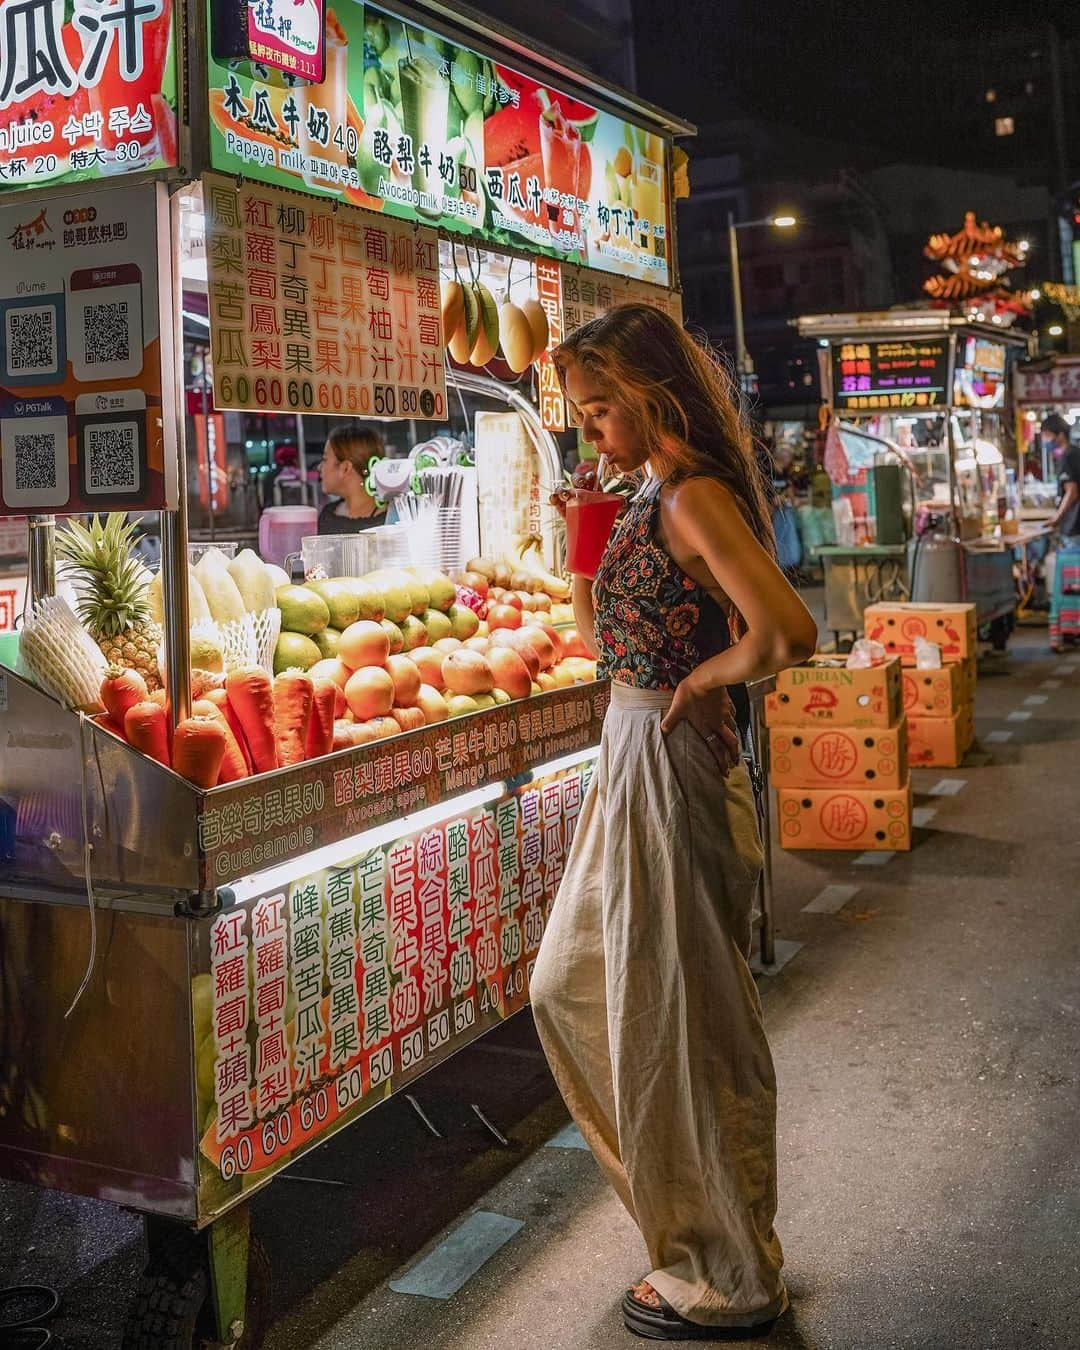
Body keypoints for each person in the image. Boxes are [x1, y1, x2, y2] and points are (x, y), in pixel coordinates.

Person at [531, 304, 817, 1341]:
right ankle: (703, 1233)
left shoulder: (692, 494)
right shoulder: (648, 489)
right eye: (583, 411)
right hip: (632, 749)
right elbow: (605, 630)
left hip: (668, 755)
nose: (591, 428)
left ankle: (731, 1272)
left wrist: (705, 679)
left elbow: (787, 629)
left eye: (601, 408)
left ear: (652, 393)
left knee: (686, 1021)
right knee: (576, 991)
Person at [317, 425, 388, 534]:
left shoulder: (389, 521)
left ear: (346, 468)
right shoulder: (327, 514)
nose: (319, 467)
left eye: (325, 459)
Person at [1043, 413, 1080, 547]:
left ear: (1060, 435)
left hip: (1074, 525)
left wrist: (1057, 517)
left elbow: (1072, 492)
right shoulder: (1075, 452)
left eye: (1047, 435)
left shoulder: (1068, 457)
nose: (1045, 440)